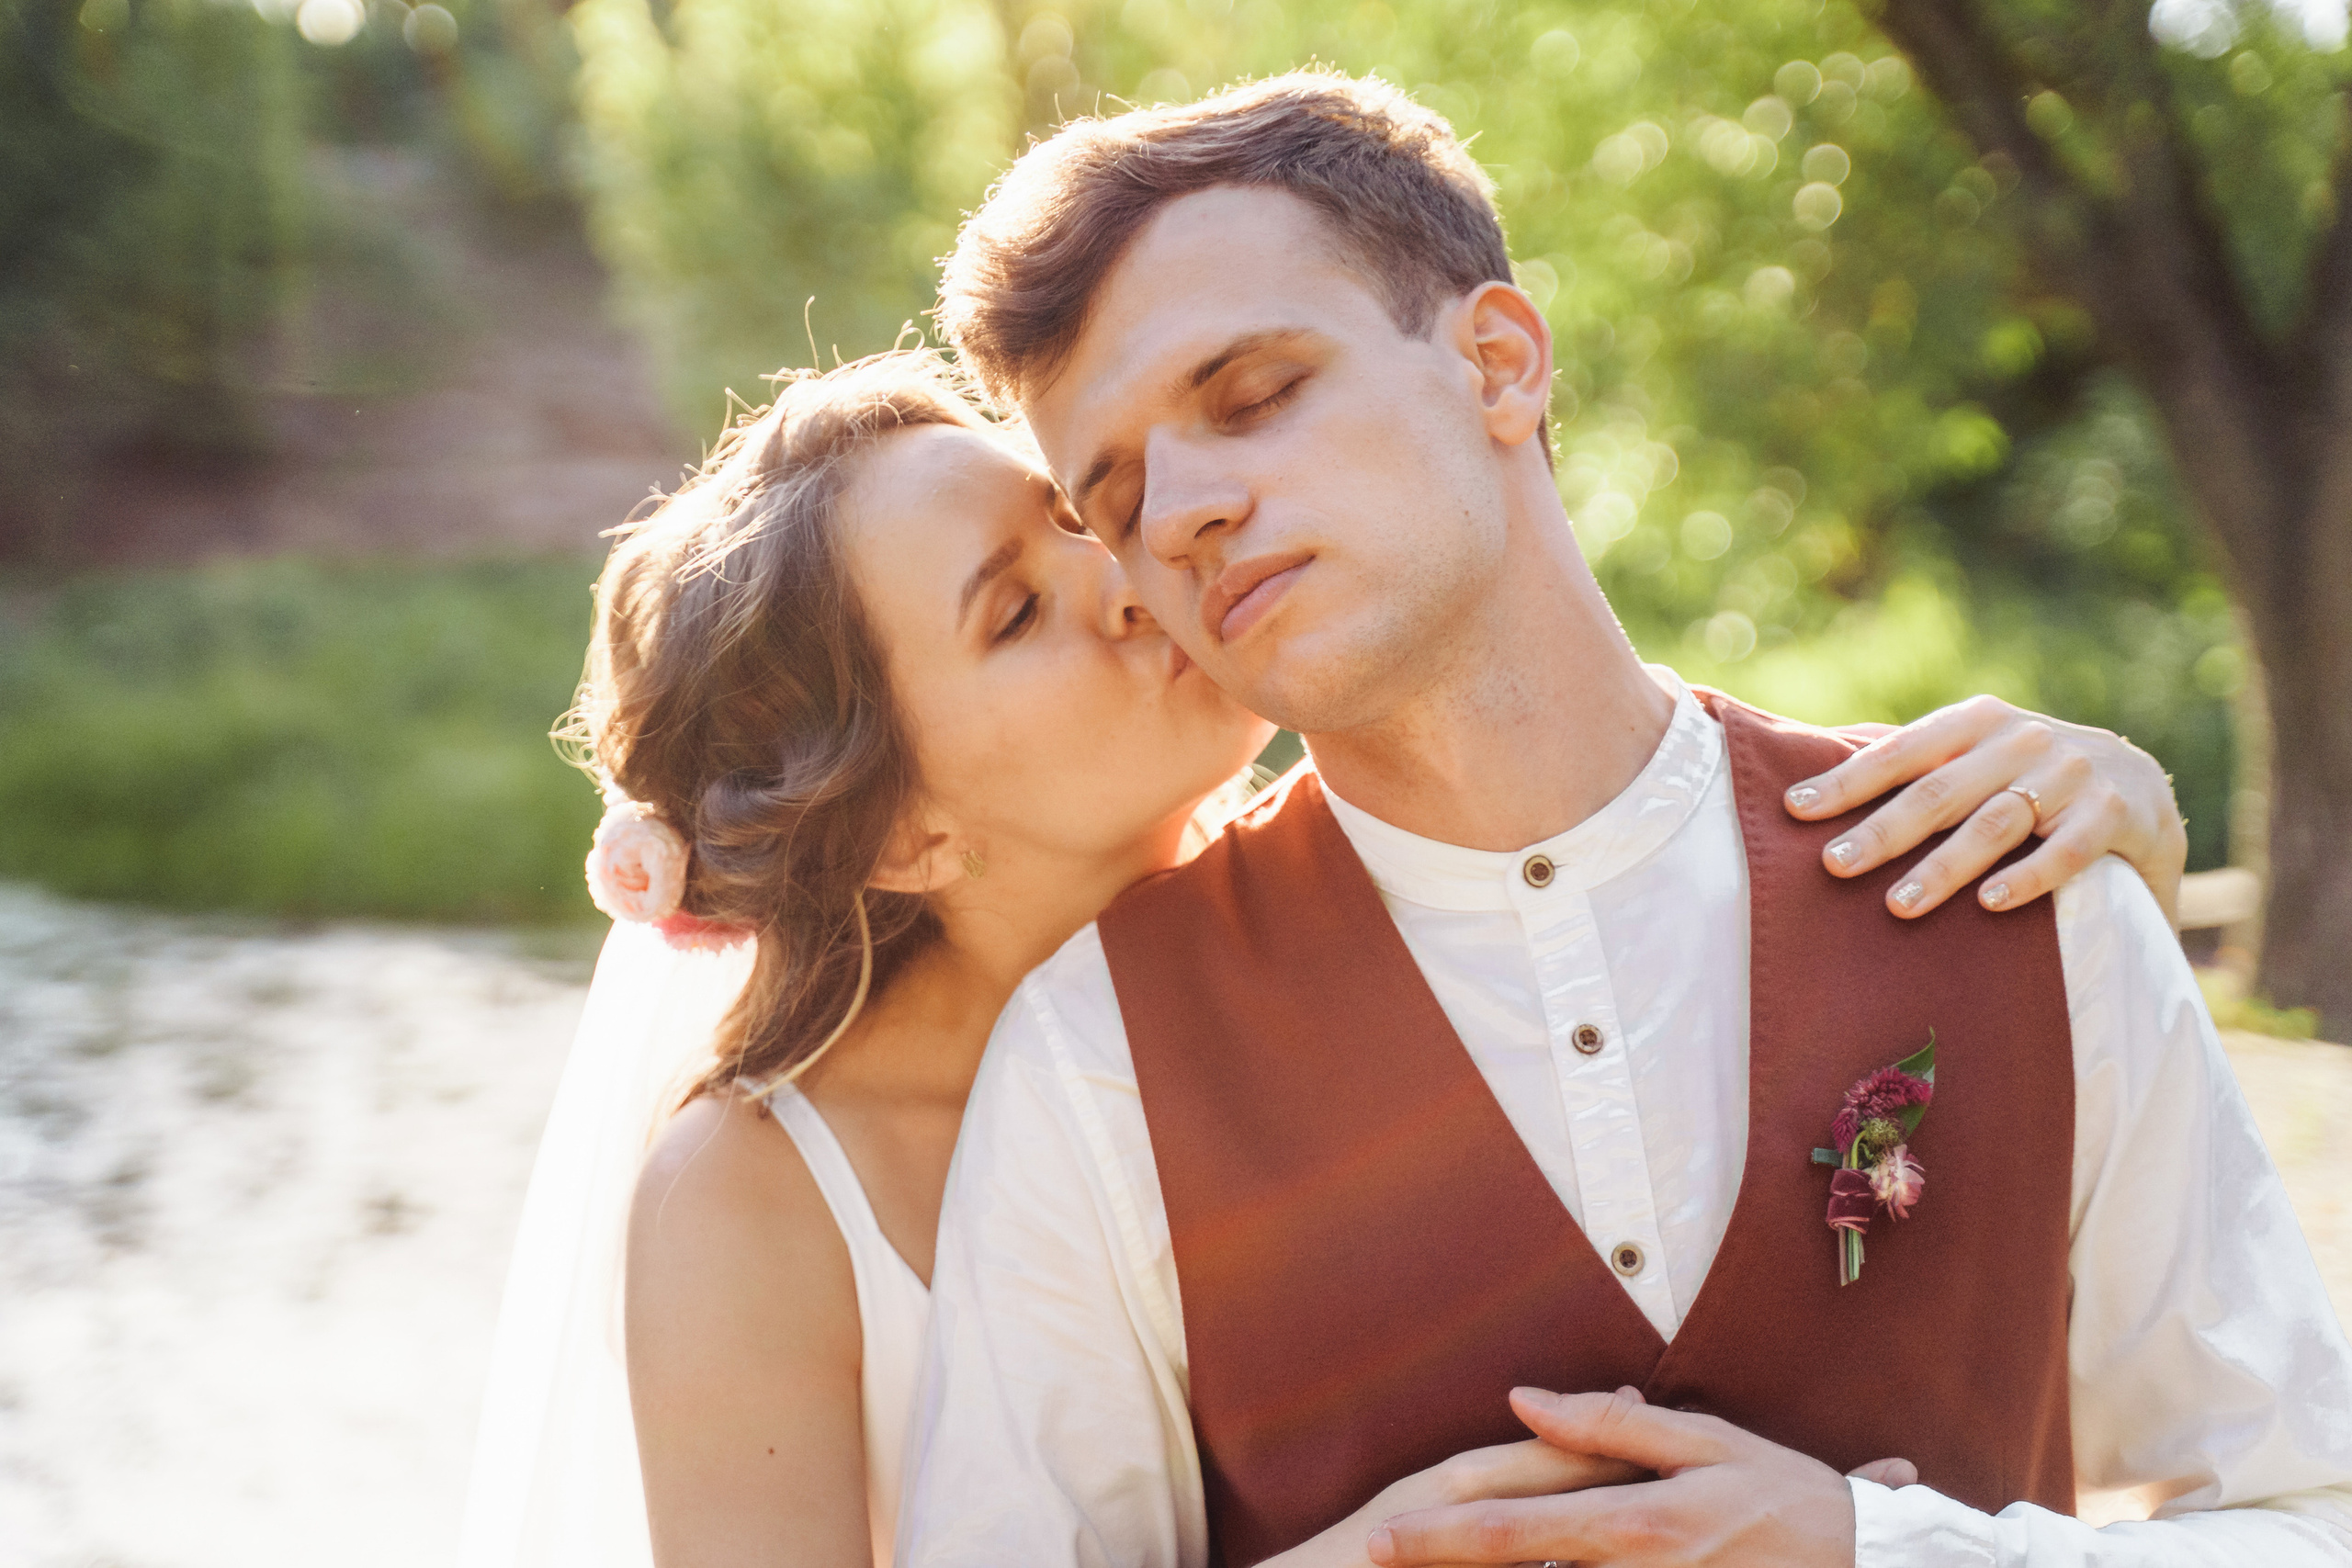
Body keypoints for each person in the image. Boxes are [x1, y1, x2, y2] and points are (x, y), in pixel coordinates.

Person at [897, 73, 2352, 1568]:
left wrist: (1885, 1552)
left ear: (1499, 363)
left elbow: (2312, 1520)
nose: (1185, 509)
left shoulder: (2009, 877)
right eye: (1120, 492)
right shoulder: (1099, 1059)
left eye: (1253, 393)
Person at [453, 344, 2193, 1568]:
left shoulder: (1371, 895)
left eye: (1078, 519)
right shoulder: (761, 1195)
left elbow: (1629, 774)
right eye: (1016, 611)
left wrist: (2093, 796)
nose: (1130, 578)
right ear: (908, 830)